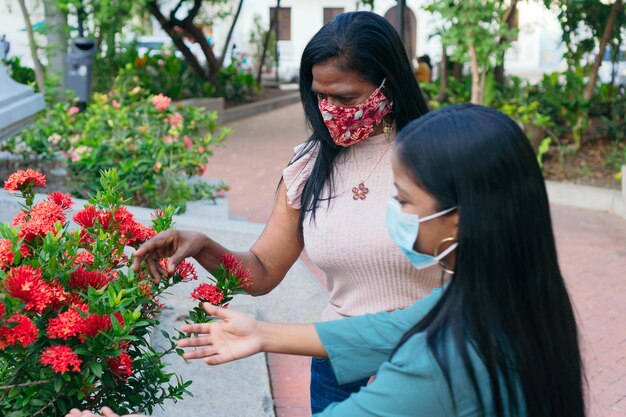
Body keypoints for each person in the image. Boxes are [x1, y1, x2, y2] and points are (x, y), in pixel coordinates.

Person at [173, 104, 586, 416]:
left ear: (458, 220)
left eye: (403, 200)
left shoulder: (437, 362)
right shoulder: (510, 297)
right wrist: (261, 334)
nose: (393, 212)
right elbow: (386, 328)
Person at [130, 11, 433, 412]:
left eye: (345, 98)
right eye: (319, 97)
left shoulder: (438, 156)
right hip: (337, 365)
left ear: (387, 83)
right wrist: (203, 245)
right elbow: (263, 270)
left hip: (427, 360)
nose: (329, 110)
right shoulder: (309, 165)